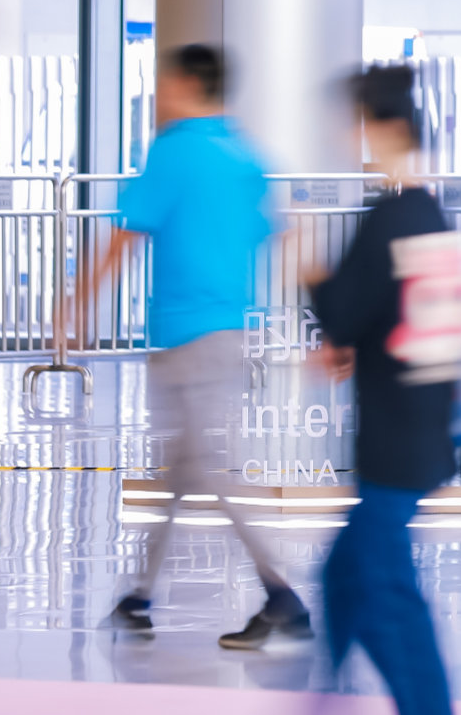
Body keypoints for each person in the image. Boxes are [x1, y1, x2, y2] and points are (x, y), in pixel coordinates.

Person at [88, 43, 311, 647]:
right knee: (180, 470)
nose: (161, 93)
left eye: (165, 82)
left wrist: (79, 300)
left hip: (184, 336)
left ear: (187, 83)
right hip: (233, 329)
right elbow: (284, 236)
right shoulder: (246, 157)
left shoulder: (173, 149)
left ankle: (282, 596)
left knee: (211, 468)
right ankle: (137, 596)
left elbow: (125, 237)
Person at [307, 64, 460, 715]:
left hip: (394, 441)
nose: (353, 137)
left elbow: (343, 310)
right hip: (422, 426)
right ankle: (325, 692)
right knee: (344, 575)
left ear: (385, 129)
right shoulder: (427, 214)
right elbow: (388, 319)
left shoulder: (390, 218)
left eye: (360, 124)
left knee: (385, 593)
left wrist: (304, 266)